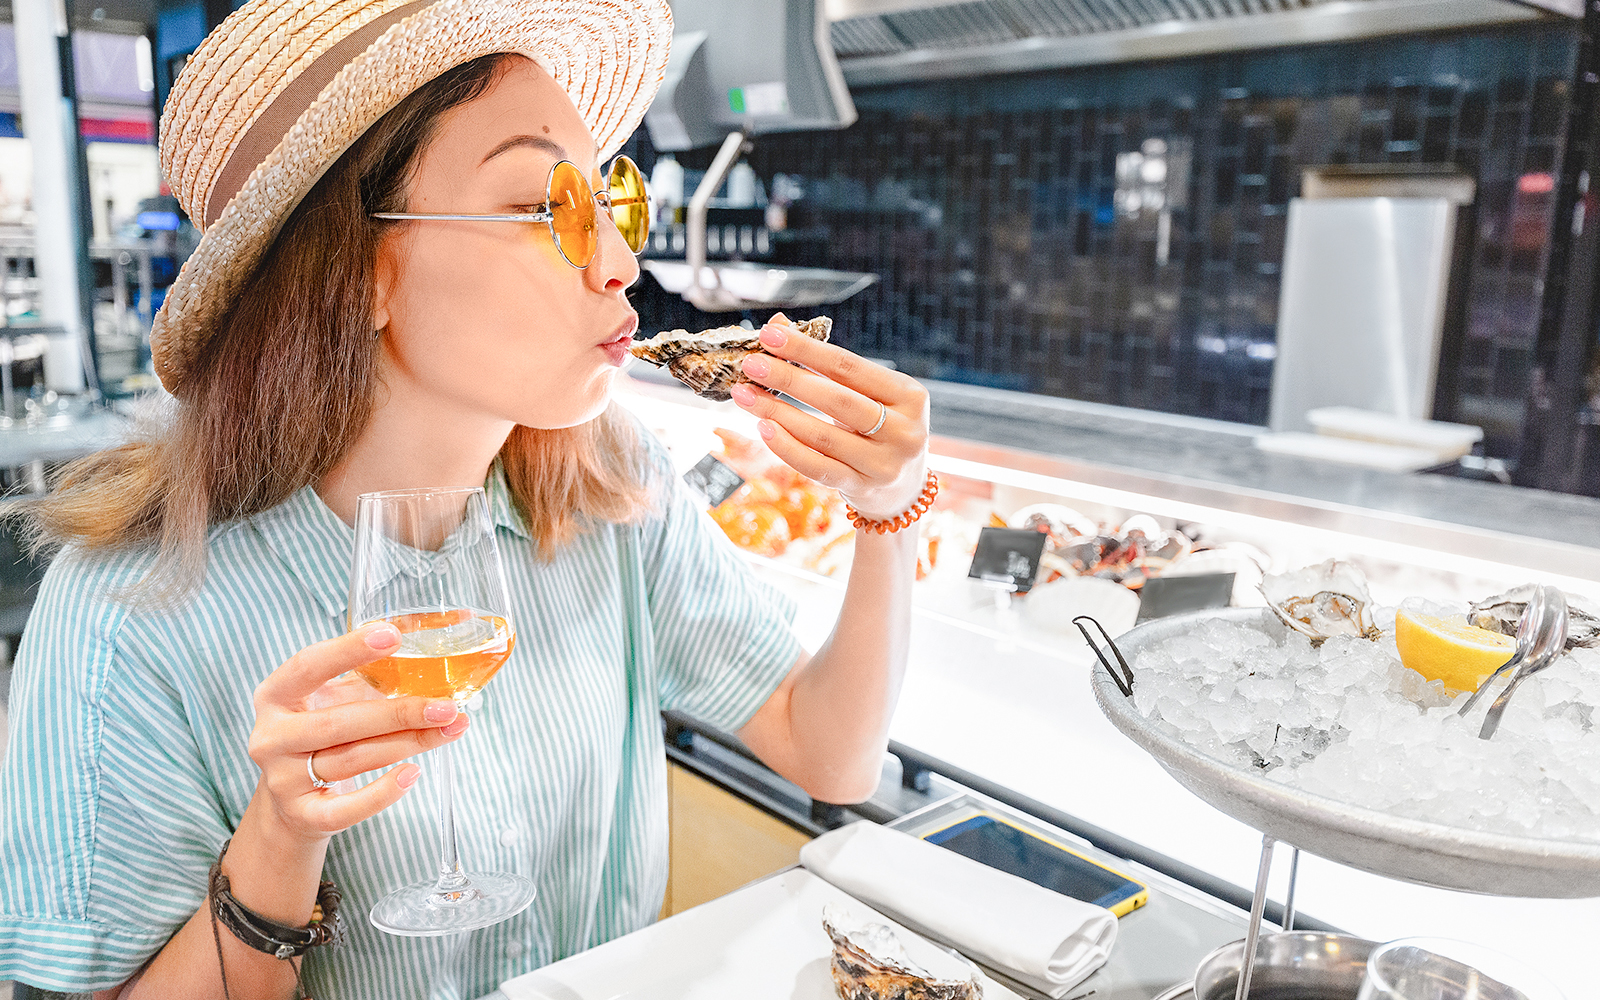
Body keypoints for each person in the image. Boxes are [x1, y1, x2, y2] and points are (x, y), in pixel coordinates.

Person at [0, 1, 932, 999]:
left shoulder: (612, 488)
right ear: (357, 273)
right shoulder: (127, 616)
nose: (619, 262)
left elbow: (831, 756)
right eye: (543, 207)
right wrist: (279, 837)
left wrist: (889, 502)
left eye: (607, 201)